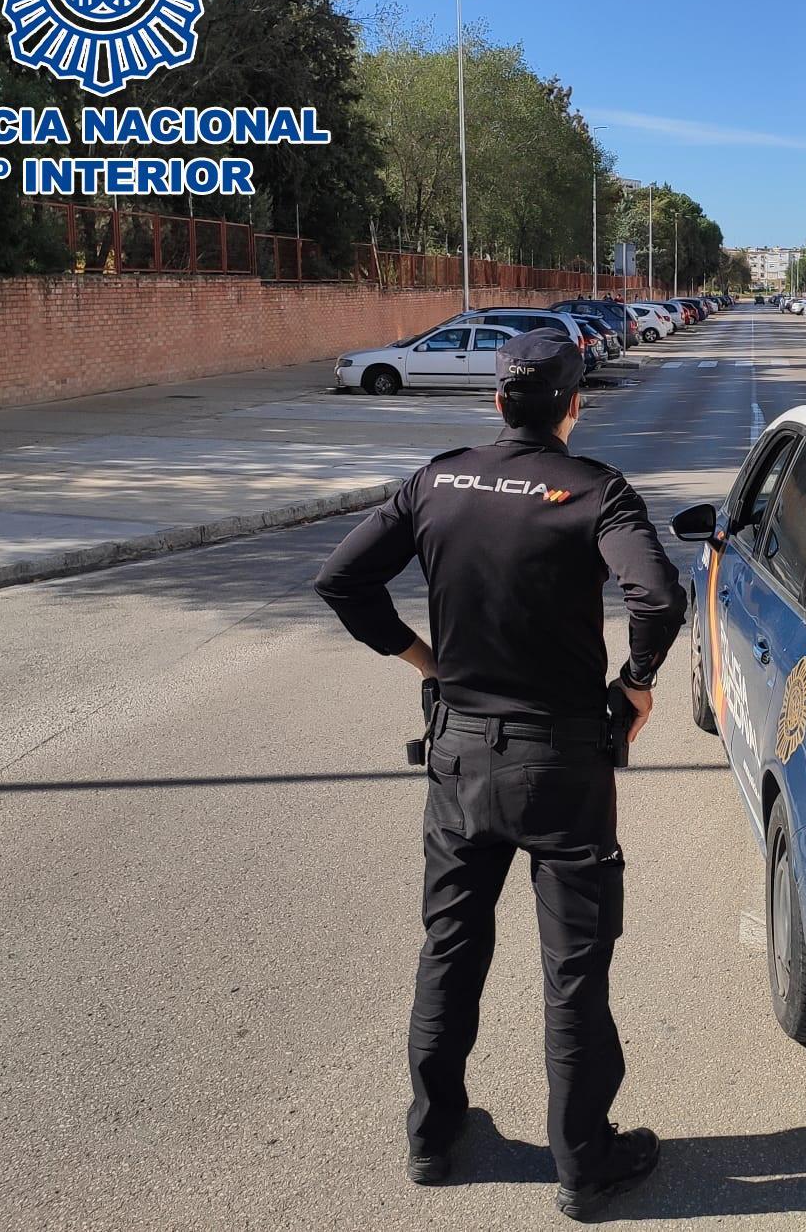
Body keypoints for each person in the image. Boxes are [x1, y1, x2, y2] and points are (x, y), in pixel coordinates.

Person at [313, 328, 686, 1219]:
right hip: (561, 765)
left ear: (495, 403)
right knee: (574, 968)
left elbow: (341, 579)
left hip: (459, 757)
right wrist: (634, 686)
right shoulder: (595, 490)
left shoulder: (436, 480)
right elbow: (659, 597)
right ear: (572, 404)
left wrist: (427, 663)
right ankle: (583, 1161)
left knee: (449, 947)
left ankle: (434, 1138)